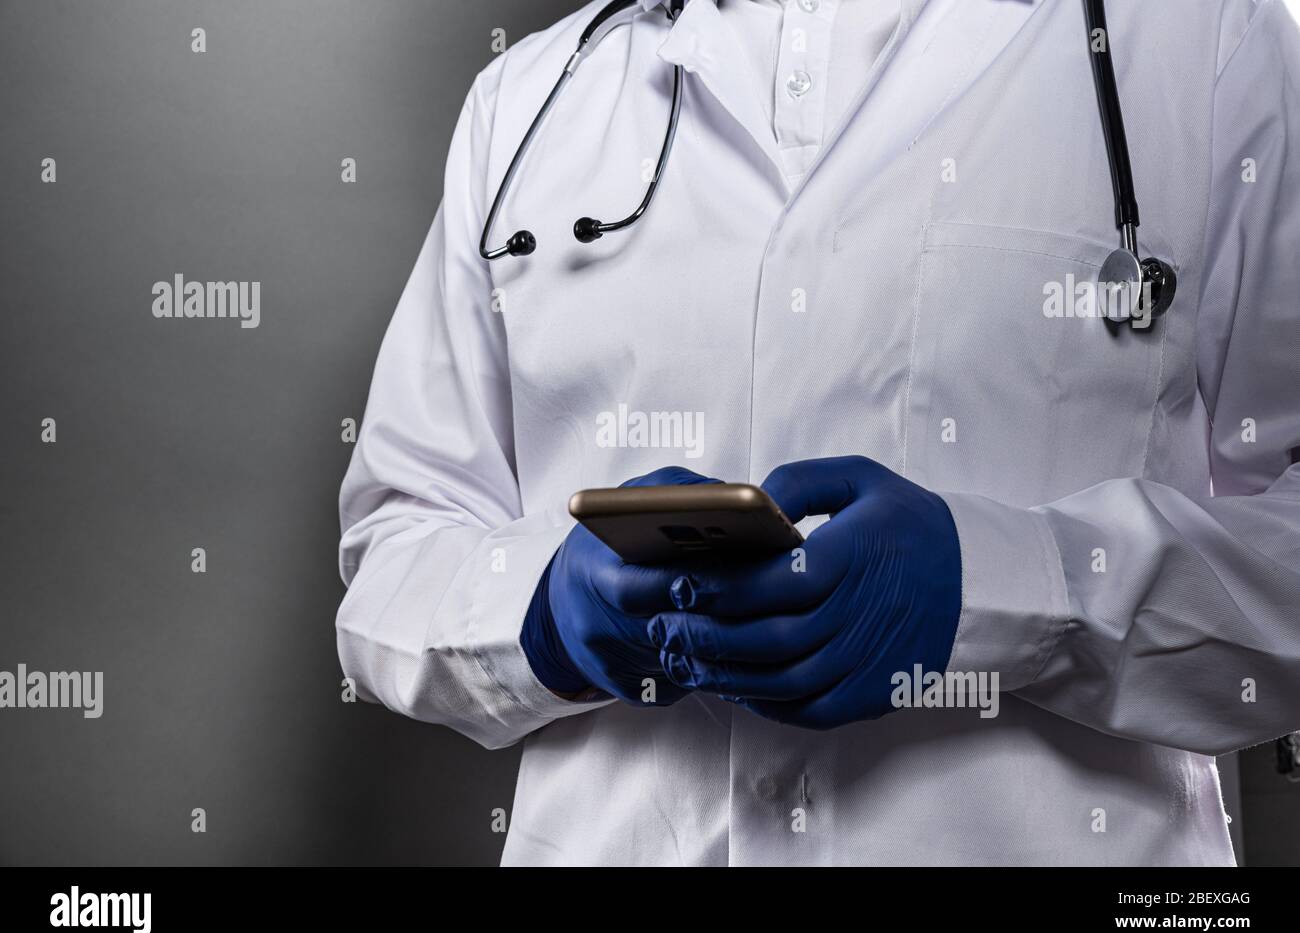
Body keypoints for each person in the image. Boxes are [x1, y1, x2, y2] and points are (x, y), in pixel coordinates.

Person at [336, 0, 1300, 865]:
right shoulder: (531, 101)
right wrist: (544, 611)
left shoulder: (1204, 45)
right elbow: (395, 554)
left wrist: (1026, 592)